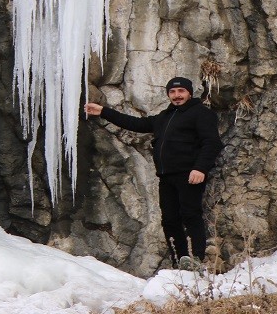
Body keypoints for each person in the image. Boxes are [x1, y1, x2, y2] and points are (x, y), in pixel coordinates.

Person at [85, 76, 223, 270]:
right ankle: (180, 261)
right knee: (169, 220)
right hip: (166, 177)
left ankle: (197, 259)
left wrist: (200, 168)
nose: (177, 95)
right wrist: (103, 111)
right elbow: (136, 124)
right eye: (172, 92)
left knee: (191, 214)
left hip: (189, 174)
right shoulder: (164, 117)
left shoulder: (201, 113)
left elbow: (212, 143)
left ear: (189, 93)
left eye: (181, 91)